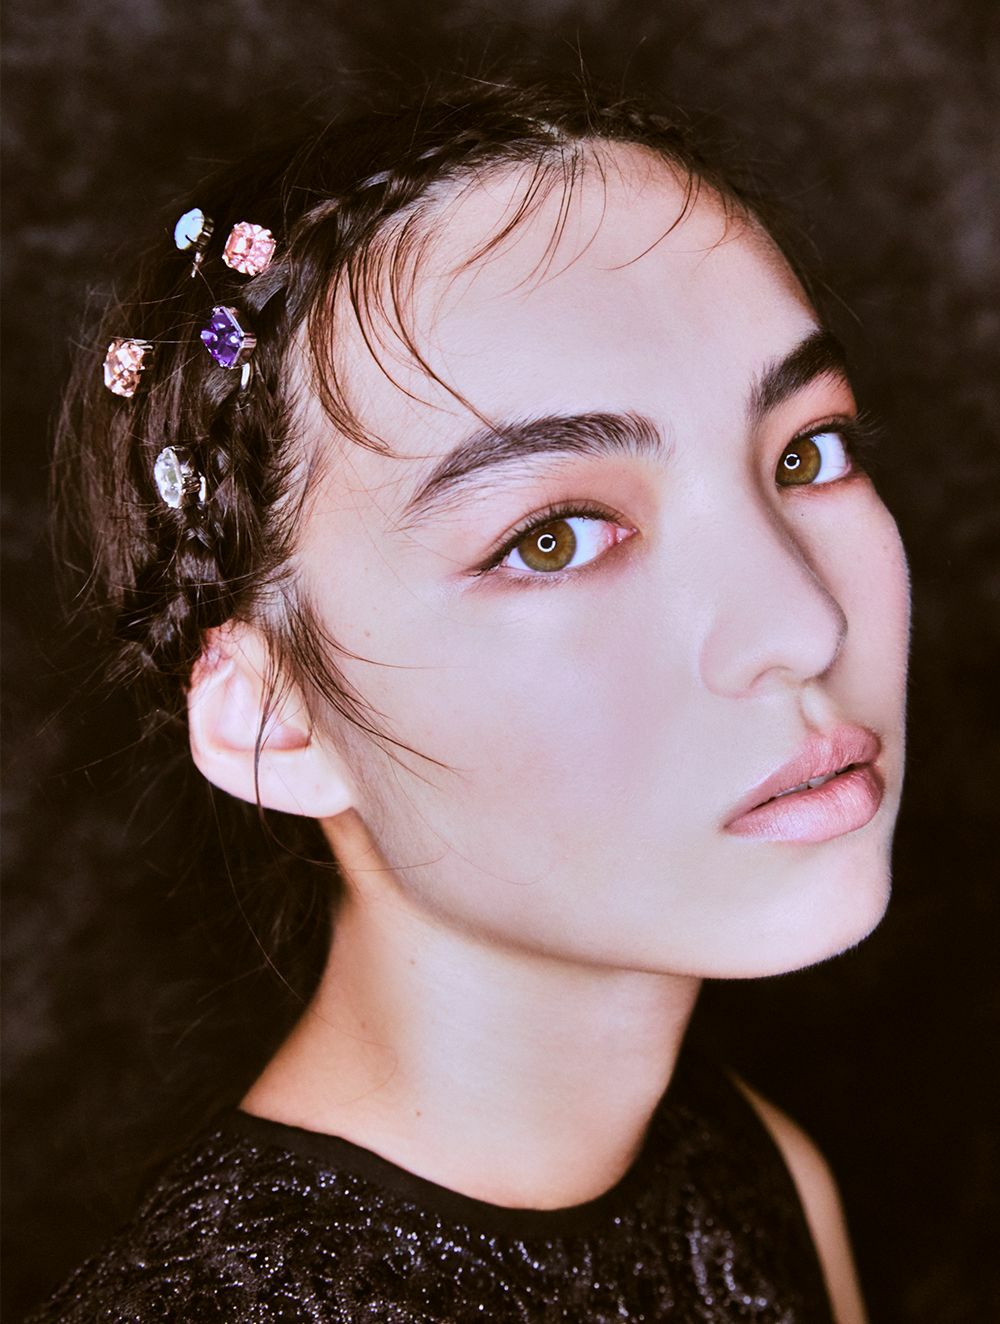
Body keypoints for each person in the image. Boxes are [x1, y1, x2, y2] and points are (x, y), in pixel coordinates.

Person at [28, 67, 910, 1323]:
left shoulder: (758, 1177)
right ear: (272, 717)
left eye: (807, 454)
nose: (803, 623)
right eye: (554, 535)